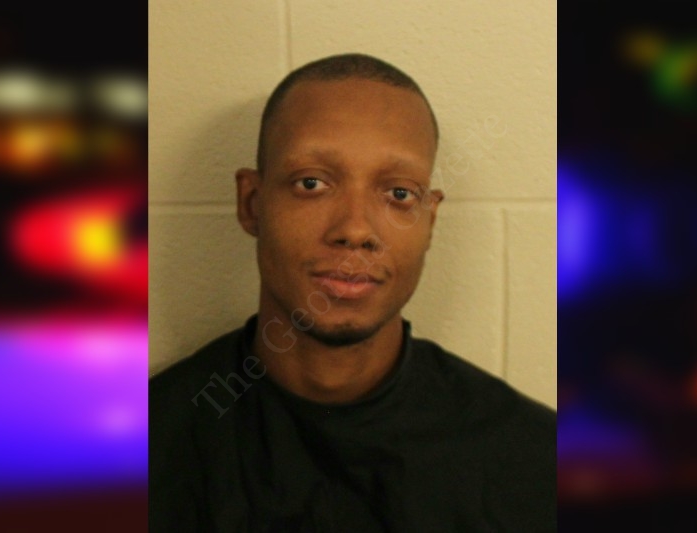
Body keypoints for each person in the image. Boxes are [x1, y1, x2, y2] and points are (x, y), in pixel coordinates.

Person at [149, 53, 555, 532]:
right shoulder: (144, 451)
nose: (356, 229)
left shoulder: (535, 464)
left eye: (399, 194)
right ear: (252, 203)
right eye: (312, 183)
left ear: (429, 220)